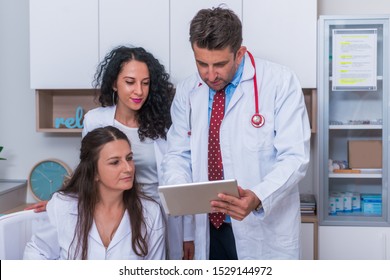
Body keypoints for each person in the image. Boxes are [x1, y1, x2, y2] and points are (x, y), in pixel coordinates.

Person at [161, 7, 311, 260]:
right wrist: (179, 190)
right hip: (209, 227)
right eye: (201, 63)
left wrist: (258, 196)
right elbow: (178, 154)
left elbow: (295, 157)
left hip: (262, 227)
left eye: (219, 64)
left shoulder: (280, 82)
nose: (209, 75)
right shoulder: (187, 91)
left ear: (239, 54)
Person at [26, 46, 193, 260]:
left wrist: (188, 234)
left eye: (145, 83)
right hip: (113, 210)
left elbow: (182, 174)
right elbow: (89, 166)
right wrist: (62, 203)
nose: (139, 91)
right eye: (130, 82)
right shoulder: (95, 121)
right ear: (115, 83)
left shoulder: (164, 126)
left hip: (157, 213)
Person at [24, 126, 166, 259]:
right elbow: (36, 251)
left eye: (129, 158)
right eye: (115, 162)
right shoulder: (63, 206)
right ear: (94, 172)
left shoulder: (151, 212)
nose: (128, 168)